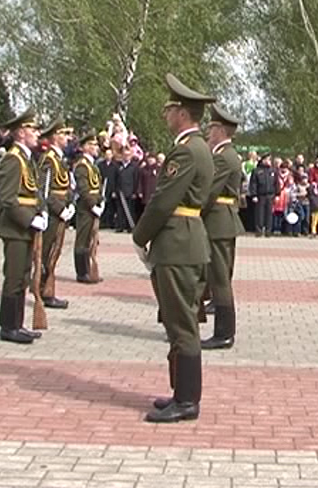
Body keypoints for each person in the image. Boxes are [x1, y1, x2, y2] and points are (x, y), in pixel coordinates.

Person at [133, 73, 215, 423]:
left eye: (169, 108)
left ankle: (187, 400)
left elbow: (163, 201)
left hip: (177, 244)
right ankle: (182, 393)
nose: (165, 114)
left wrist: (140, 236)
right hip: (188, 239)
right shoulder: (201, 149)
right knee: (182, 323)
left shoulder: (185, 152)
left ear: (182, 112)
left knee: (181, 326)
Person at [0, 109, 47, 344]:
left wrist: (41, 212)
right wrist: (29, 219)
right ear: (21, 132)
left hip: (26, 227)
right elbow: (8, 198)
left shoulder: (27, 159)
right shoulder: (13, 159)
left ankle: (18, 323)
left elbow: (33, 193)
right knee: (14, 277)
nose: (37, 134)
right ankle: (8, 326)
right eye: (33, 129)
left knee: (23, 277)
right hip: (16, 229)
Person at [200, 102, 244, 350]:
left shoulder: (224, 157)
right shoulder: (226, 154)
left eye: (212, 127)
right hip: (220, 220)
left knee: (219, 280)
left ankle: (224, 333)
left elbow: (207, 191)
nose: (208, 132)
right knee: (217, 278)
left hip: (218, 221)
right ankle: (221, 331)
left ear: (220, 131)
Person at [37, 117, 74, 309]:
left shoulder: (59, 159)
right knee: (47, 253)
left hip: (61, 210)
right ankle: (43, 290)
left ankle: (47, 289)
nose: (67, 138)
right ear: (54, 137)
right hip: (52, 214)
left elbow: (65, 185)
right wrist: (59, 209)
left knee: (54, 252)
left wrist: (70, 203)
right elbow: (44, 190)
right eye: (63, 134)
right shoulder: (48, 159)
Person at [73, 131, 105, 283]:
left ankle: (89, 269)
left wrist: (101, 201)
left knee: (92, 240)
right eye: (92, 144)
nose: (96, 147)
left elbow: (97, 187)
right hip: (86, 208)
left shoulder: (93, 166)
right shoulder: (82, 166)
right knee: (83, 240)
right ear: (84, 147)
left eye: (96, 144)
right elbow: (83, 189)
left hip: (94, 205)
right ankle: (82, 272)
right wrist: (93, 205)